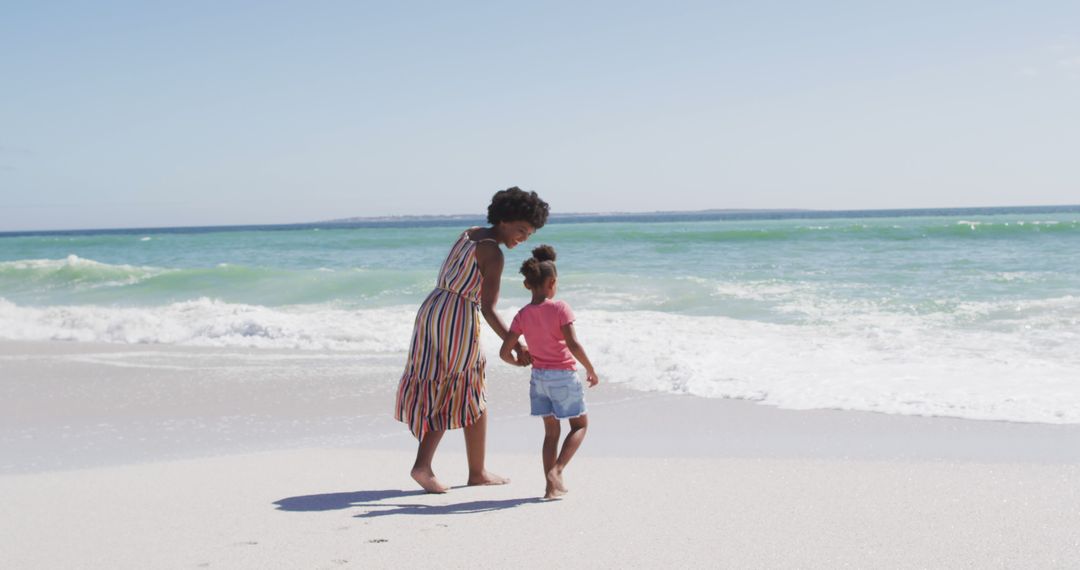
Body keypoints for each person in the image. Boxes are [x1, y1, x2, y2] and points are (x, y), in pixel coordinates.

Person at [394, 187, 549, 494]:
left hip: (433, 309)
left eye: (529, 234)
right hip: (458, 317)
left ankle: (477, 471)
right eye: (521, 230)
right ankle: (423, 466)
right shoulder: (493, 253)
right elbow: (489, 308)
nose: (523, 238)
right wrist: (513, 344)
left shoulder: (470, 233)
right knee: (454, 387)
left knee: (466, 387)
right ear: (504, 220)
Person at [499, 244, 599, 499]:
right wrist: (590, 368)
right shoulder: (560, 308)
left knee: (551, 433)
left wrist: (519, 362)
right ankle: (558, 470)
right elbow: (573, 344)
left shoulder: (522, 314)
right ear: (552, 282)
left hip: (539, 379)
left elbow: (504, 353)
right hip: (563, 376)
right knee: (579, 426)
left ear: (529, 284)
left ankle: (549, 489)